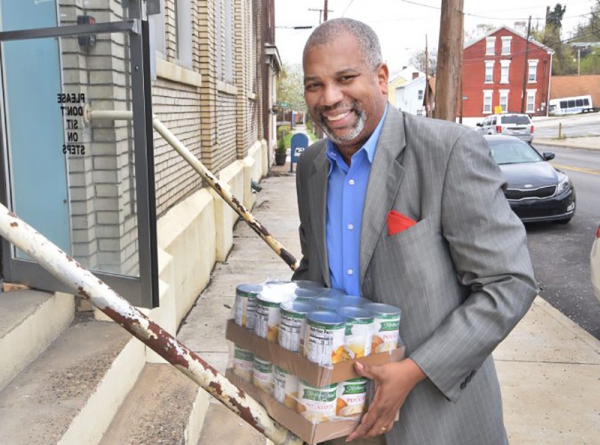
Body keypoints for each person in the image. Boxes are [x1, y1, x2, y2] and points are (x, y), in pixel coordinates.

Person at [292, 18, 539, 445]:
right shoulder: (311, 167)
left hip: (436, 418)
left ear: (381, 77)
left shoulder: (448, 151)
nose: (330, 98)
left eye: (345, 78)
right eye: (315, 85)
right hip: (341, 418)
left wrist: (411, 372)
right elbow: (315, 273)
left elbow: (509, 283)